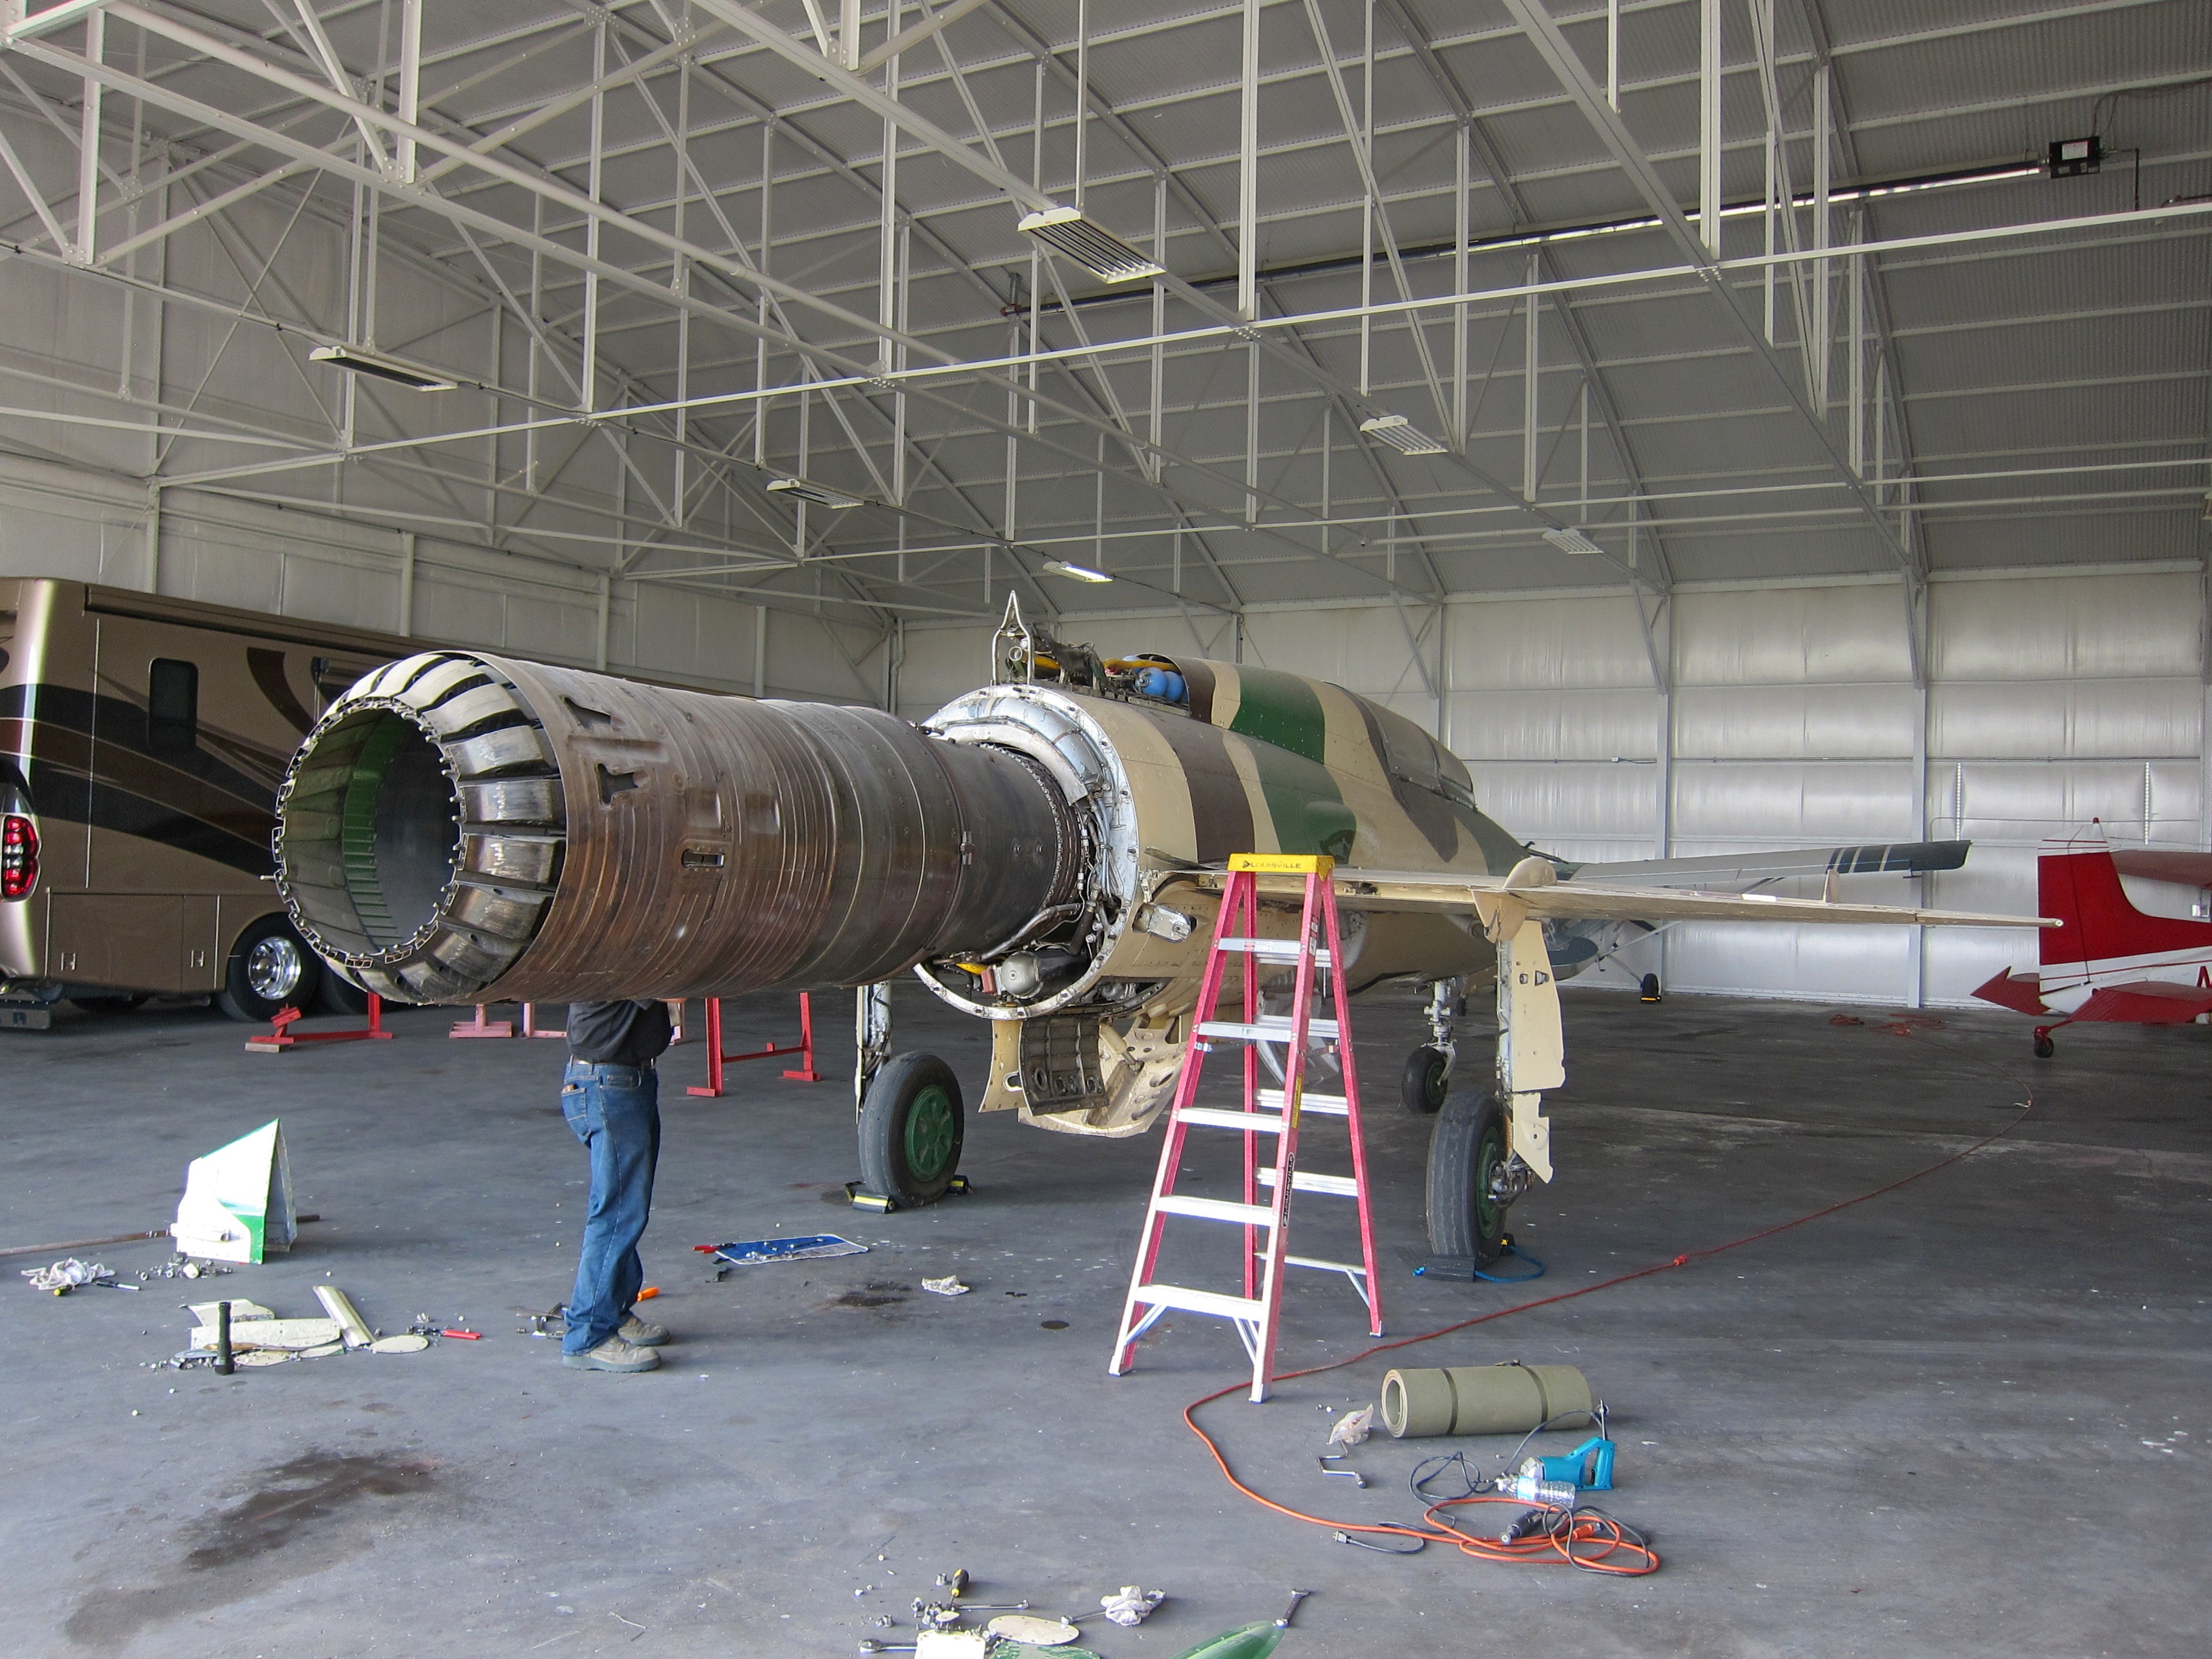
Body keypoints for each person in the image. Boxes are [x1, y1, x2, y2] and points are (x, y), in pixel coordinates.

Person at [560, 999, 675, 1372]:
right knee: (618, 1214)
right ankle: (587, 1335)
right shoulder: (622, 954)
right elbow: (679, 984)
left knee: (626, 1209)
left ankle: (614, 1309)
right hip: (610, 1085)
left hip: (618, 1080)